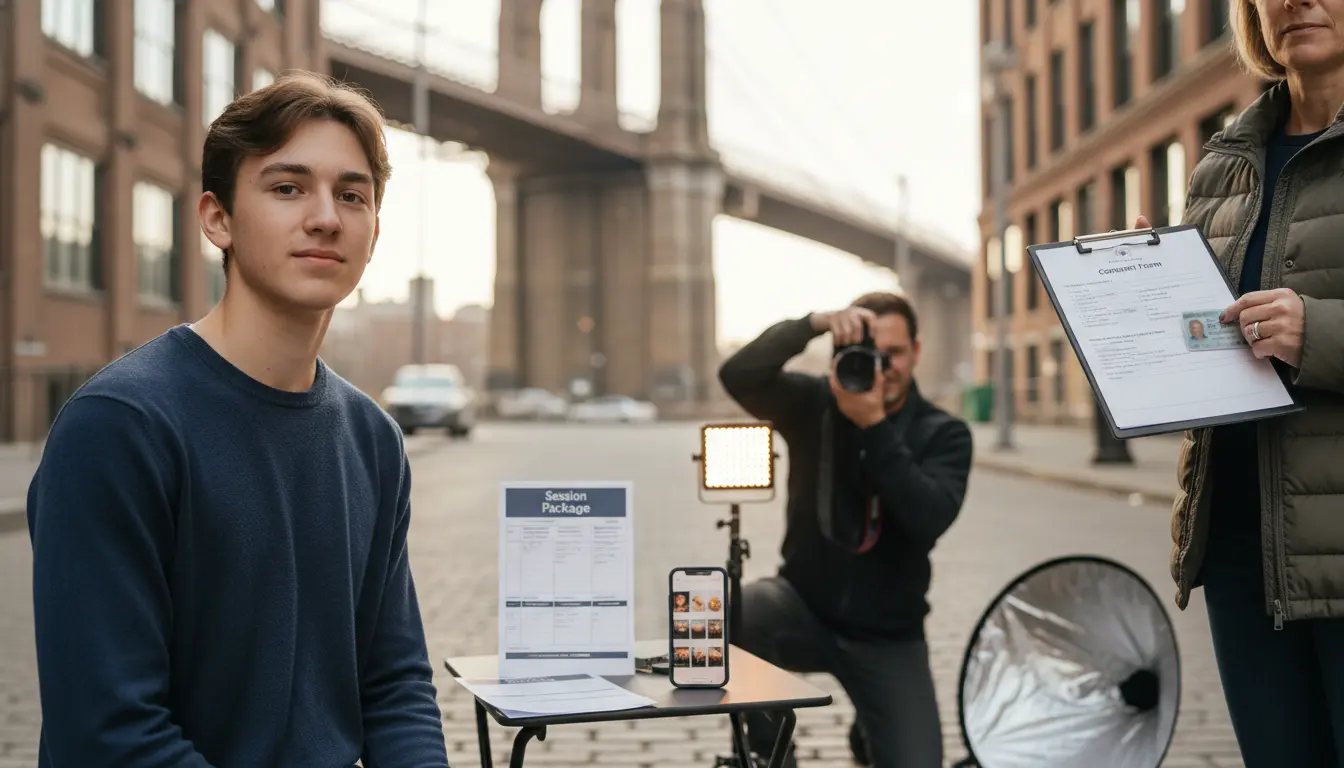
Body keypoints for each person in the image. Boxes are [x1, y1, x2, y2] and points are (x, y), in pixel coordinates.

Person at [26, 72, 450, 766]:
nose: (326, 217)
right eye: (287, 188)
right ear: (217, 218)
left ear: (374, 233)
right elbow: (110, 735)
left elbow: (393, 685)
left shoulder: (372, 439)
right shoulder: (119, 427)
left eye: (352, 195)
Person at [1145, 1, 1344, 764]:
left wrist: (1314, 331)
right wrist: (1141, 308)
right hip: (1239, 548)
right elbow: (1203, 341)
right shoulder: (1222, 164)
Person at [718, 292, 973, 768]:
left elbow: (928, 520)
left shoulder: (943, 433)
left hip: (888, 635)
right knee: (743, 608)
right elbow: (739, 374)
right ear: (841, 352)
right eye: (868, 353)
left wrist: (873, 426)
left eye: (893, 354)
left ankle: (871, 730)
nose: (881, 368)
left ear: (916, 352)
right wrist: (813, 323)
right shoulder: (813, 403)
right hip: (803, 609)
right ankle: (771, 755)